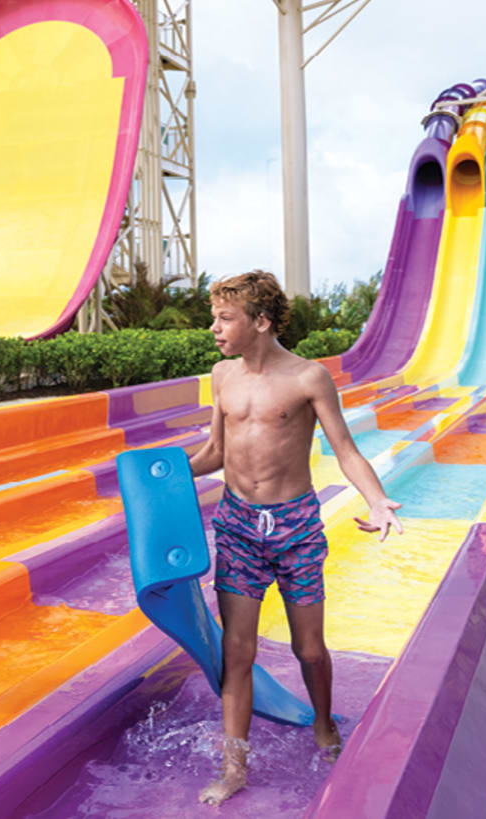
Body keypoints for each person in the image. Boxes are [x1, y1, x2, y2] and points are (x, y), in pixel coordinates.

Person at [187, 271, 404, 807]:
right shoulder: (221, 375)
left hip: (297, 529)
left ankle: (324, 724)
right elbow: (215, 452)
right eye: (213, 316)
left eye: (224, 318)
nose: (213, 327)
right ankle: (234, 765)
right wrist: (162, 476)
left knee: (309, 649)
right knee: (236, 651)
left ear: (260, 323)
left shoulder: (309, 379)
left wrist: (376, 501)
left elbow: (346, 449)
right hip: (238, 525)